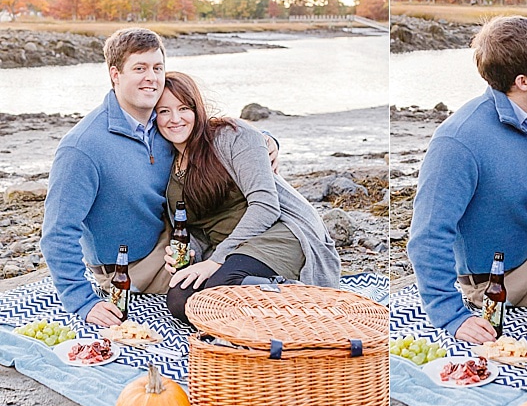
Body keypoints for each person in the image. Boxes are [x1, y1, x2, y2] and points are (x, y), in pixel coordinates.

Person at [40, 28, 278, 327]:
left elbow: (212, 132)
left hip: (184, 243)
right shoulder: (82, 148)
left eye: (157, 67)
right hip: (133, 266)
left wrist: (265, 140)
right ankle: (280, 296)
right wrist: (82, 301)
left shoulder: (162, 123)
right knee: (205, 303)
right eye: (139, 68)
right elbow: (57, 233)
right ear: (115, 75)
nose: (151, 77)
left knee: (238, 270)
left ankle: (283, 284)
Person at [406, 16, 527, 344]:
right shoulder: (459, 141)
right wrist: (451, 315)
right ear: (523, 81)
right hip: (504, 276)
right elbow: (427, 235)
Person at [154, 71, 341, 322]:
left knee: (219, 293)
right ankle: (266, 307)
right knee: (180, 300)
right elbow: (195, 229)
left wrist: (217, 261)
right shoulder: (167, 163)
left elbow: (266, 206)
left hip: (279, 234)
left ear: (197, 109)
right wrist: (192, 254)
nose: (175, 119)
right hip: (231, 250)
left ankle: (302, 300)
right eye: (164, 111)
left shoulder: (232, 136)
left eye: (183, 108)